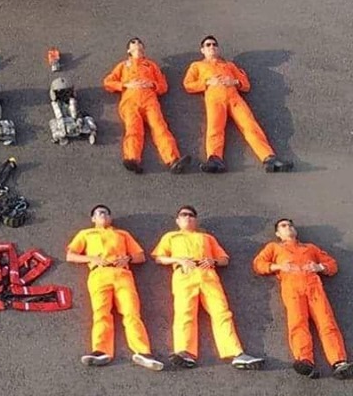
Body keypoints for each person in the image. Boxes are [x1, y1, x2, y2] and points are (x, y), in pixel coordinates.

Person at [151, 206, 264, 370]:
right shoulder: (171, 236)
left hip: (208, 274)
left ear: (195, 220)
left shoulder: (206, 238)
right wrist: (178, 260)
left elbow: (224, 259)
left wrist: (214, 261)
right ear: (178, 220)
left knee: (221, 312)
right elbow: (159, 258)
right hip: (184, 274)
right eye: (183, 215)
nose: (187, 217)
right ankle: (184, 351)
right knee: (184, 311)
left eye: (191, 215)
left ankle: (236, 353)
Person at [66, 205, 164, 371]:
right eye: (99, 213)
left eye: (106, 213)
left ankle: (143, 352)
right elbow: (70, 255)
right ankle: (101, 351)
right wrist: (91, 258)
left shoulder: (122, 234)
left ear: (110, 218)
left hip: (122, 274)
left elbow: (140, 256)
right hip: (99, 274)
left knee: (132, 312)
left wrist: (128, 258)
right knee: (101, 312)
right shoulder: (86, 234)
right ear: (93, 219)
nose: (103, 215)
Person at [252, 218, 353, 380]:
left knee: (326, 322)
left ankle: (339, 362)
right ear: (278, 233)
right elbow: (258, 264)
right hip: (292, 288)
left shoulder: (310, 248)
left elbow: (332, 264)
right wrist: (278, 266)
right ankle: (305, 360)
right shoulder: (274, 247)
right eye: (283, 226)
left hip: (314, 287)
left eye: (290, 225)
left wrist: (319, 267)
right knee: (298, 322)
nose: (288, 227)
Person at [182, 36, 292, 173]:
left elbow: (245, 85)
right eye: (208, 45)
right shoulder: (197, 66)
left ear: (218, 48)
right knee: (215, 128)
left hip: (234, 99)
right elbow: (188, 85)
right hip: (215, 99)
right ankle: (215, 159)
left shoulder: (229, 66)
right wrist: (207, 82)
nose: (212, 47)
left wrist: (234, 82)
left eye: (214, 44)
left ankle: (269, 158)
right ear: (202, 50)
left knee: (250, 126)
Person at [102, 38, 190, 174]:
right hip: (130, 101)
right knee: (133, 129)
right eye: (133, 43)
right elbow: (108, 82)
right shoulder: (123, 66)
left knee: (160, 128)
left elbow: (163, 86)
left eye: (139, 43)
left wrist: (153, 84)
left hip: (150, 101)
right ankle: (132, 159)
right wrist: (124, 85)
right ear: (129, 50)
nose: (137, 45)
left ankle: (173, 160)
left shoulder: (151, 65)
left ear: (143, 49)